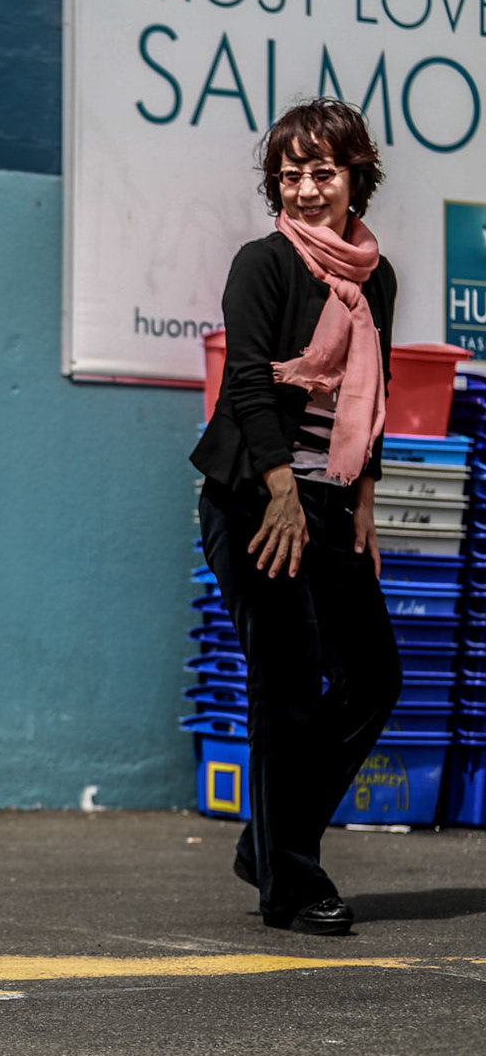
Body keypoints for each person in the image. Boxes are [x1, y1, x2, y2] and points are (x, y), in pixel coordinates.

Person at [190, 98, 401, 935]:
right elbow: (246, 381)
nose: (307, 188)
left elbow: (371, 397)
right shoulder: (264, 263)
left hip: (329, 497)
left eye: (323, 172)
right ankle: (290, 883)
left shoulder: (375, 275)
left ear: (356, 178)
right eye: (291, 175)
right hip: (255, 498)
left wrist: (364, 501)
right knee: (286, 691)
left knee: (374, 677)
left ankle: (270, 842)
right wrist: (280, 487)